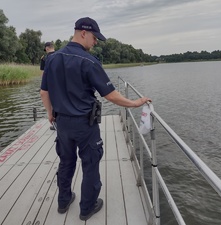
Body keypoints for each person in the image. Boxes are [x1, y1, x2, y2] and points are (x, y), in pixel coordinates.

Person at [40, 17, 151, 221]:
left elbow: (44, 92)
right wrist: (135, 103)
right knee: (90, 163)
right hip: (84, 124)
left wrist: (50, 114)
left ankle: (63, 201)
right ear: (83, 33)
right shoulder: (89, 61)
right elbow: (110, 95)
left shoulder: (52, 59)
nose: (96, 42)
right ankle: (87, 208)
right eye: (94, 38)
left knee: (66, 161)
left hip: (62, 123)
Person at [40, 42, 56, 130]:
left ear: (46, 48)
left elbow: (43, 73)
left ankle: (54, 123)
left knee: (51, 104)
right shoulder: (60, 55)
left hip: (50, 85)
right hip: (60, 85)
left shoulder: (45, 58)